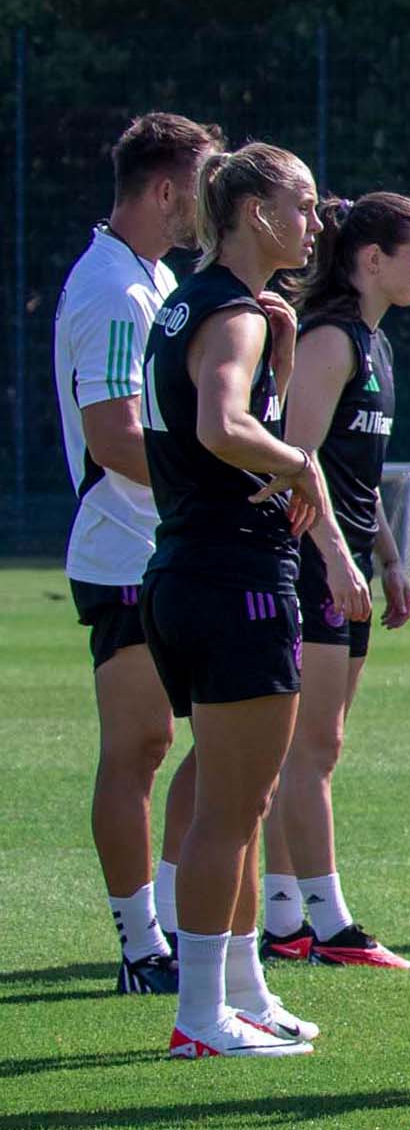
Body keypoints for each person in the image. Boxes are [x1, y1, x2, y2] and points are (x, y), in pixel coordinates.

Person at [149, 143, 359, 1057]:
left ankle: (241, 989)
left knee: (241, 795)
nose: (316, 223)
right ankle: (200, 1016)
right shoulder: (230, 311)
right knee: (229, 810)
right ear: (254, 214)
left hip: (193, 572)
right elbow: (220, 426)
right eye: (303, 204)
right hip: (231, 578)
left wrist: (275, 350)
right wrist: (298, 461)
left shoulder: (206, 307)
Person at [61, 111, 222, 993]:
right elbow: (116, 436)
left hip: (169, 546)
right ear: (166, 190)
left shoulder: (152, 278)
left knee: (220, 737)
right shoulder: (114, 291)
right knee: (141, 746)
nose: (209, 201)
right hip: (125, 551)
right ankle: (138, 947)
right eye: (201, 184)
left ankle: (173, 926)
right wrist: (213, 480)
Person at [261, 192, 410, 970]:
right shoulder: (331, 342)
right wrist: (333, 555)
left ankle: (283, 915)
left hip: (347, 561)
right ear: (371, 259)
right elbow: (296, 463)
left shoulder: (374, 343)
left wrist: (390, 558)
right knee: (312, 747)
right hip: (308, 563)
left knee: (307, 747)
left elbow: (355, 476)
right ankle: (327, 924)